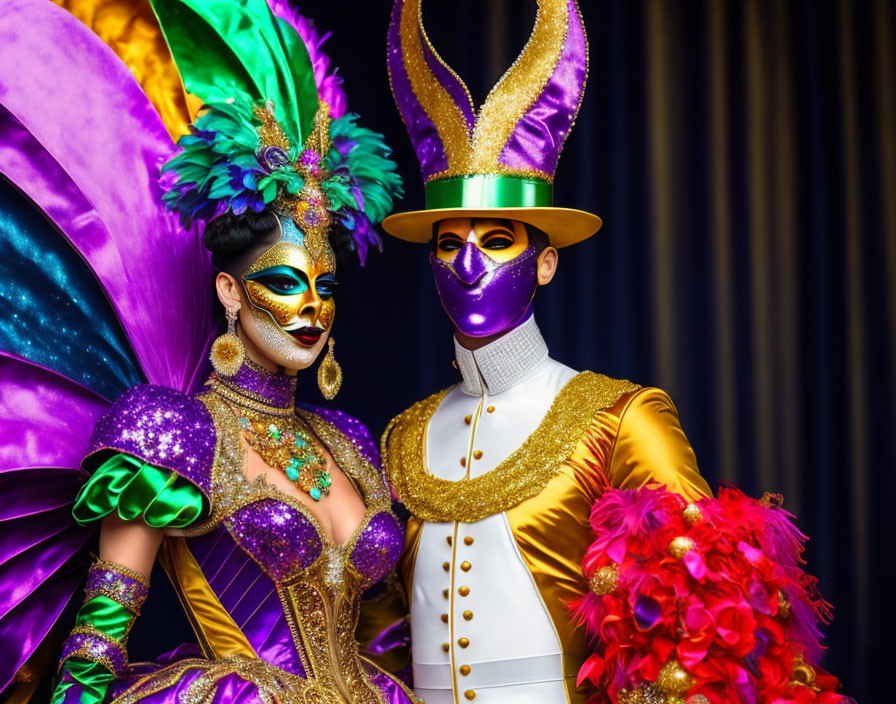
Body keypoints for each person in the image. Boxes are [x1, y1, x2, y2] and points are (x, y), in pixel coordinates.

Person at [379, 0, 852, 703]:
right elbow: (379, 639)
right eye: (449, 243)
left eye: (498, 240)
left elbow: (701, 621)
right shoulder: (402, 439)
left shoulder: (620, 417)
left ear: (546, 263)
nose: (468, 266)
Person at [0, 0, 416, 702]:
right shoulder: (172, 431)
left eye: (325, 285)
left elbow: (387, 638)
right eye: (284, 282)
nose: (310, 305)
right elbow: (99, 642)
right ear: (229, 289)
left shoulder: (347, 444)